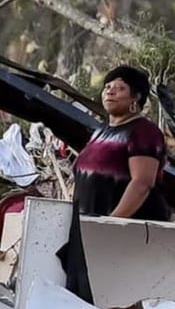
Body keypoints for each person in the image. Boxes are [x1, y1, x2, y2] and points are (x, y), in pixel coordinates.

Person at [72, 65, 169, 221]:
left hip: (126, 233)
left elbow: (142, 183)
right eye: (107, 87)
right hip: (88, 227)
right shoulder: (100, 132)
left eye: (120, 88)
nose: (110, 91)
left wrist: (112, 222)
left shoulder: (144, 132)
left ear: (135, 97)